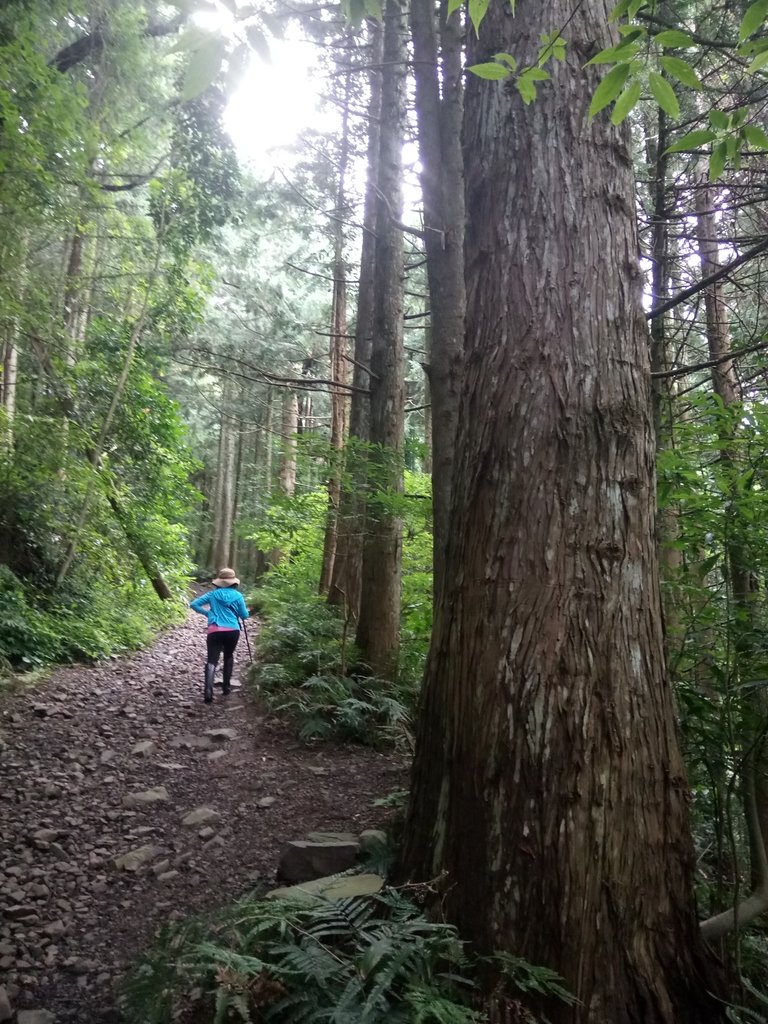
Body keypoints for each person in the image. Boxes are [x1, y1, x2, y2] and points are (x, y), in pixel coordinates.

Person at [190, 567, 251, 704]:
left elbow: (194, 604)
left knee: (212, 659)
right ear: (234, 582)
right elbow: (244, 615)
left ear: (219, 581)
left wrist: (208, 614)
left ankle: (208, 691)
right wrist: (248, 612)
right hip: (232, 631)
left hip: (215, 630)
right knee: (228, 656)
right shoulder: (238, 596)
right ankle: (226, 687)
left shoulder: (212, 594)